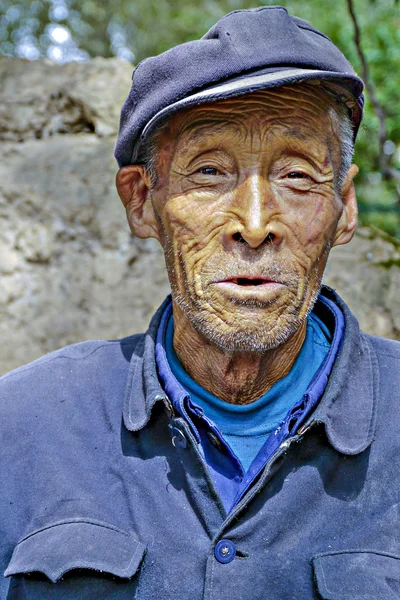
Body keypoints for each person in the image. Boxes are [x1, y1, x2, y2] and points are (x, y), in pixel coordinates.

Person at [1, 6, 399, 599]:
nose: (256, 224)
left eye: (296, 176)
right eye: (209, 172)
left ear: (344, 207)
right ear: (142, 201)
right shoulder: (23, 424)